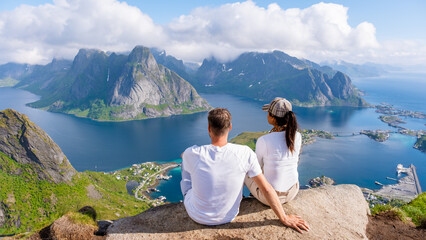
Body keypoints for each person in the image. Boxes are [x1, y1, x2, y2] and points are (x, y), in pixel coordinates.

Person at [181, 108, 309, 233]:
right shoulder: (244, 152)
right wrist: (284, 218)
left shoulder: (193, 153)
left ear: (209, 128)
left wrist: (186, 157)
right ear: (230, 127)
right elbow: (267, 188)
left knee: (185, 164)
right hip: (229, 215)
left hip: (197, 215)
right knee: (244, 170)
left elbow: (184, 156)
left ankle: (188, 194)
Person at [245, 97, 302, 206]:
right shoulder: (297, 136)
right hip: (292, 192)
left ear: (273, 118)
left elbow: (256, 169)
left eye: (268, 113)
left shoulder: (264, 140)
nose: (266, 115)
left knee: (246, 167)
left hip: (271, 198)